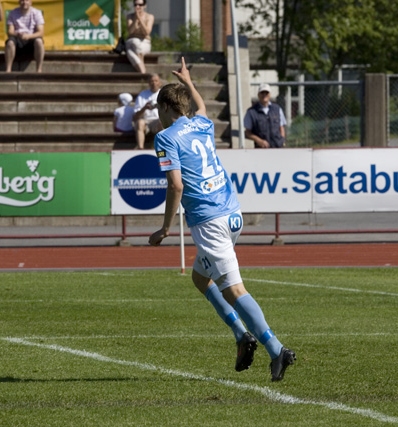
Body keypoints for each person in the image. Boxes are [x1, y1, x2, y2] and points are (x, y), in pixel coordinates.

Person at [148, 58, 296, 382]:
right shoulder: (201, 124)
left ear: (164, 108)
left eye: (157, 110)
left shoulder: (165, 138)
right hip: (232, 212)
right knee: (201, 279)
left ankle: (277, 350)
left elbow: (176, 185)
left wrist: (165, 228)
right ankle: (242, 336)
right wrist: (188, 79)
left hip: (210, 220)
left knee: (234, 290)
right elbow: (199, 105)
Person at [4, 0, 45, 73]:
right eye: (22, 0)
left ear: (31, 2)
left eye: (26, 0)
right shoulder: (12, 13)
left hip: (31, 38)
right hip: (17, 38)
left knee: (39, 41)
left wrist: (29, 36)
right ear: (19, 2)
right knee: (10, 42)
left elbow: (41, 32)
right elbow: (10, 31)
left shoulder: (37, 13)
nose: (24, 2)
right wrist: (17, 34)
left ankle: (39, 70)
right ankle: (8, 70)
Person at [244, 83, 287, 148]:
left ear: (270, 95)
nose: (264, 95)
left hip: (278, 148)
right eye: (262, 93)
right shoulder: (251, 112)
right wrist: (259, 140)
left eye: (266, 93)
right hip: (261, 149)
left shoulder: (277, 109)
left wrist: (282, 141)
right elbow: (247, 133)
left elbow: (281, 127)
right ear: (258, 95)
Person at [133, 73, 162, 149]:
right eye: (152, 81)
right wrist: (145, 108)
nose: (154, 83)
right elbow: (136, 115)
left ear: (160, 82)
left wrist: (158, 107)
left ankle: (161, 148)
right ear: (149, 83)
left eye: (156, 81)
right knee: (140, 123)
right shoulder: (143, 94)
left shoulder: (163, 93)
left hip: (157, 120)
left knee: (162, 122)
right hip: (145, 121)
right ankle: (140, 148)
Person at [125, 0, 154, 73]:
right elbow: (131, 31)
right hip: (131, 41)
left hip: (144, 42)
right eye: (135, 5)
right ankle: (143, 71)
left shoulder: (149, 17)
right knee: (134, 41)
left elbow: (146, 32)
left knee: (129, 52)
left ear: (145, 6)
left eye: (140, 5)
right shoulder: (130, 16)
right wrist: (135, 18)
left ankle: (142, 71)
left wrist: (140, 19)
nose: (138, 7)